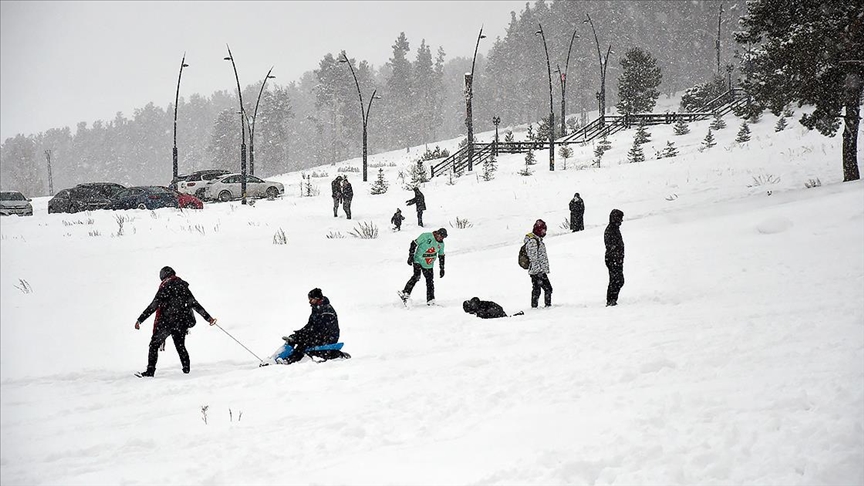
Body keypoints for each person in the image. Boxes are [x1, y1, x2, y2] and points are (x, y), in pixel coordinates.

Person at [134, 266, 216, 377]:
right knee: (180, 346)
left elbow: (153, 306)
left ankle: (150, 371)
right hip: (181, 322)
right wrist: (208, 318)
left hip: (166, 322)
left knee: (154, 345)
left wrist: (140, 320)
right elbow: (194, 303)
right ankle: (186, 370)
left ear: (163, 276)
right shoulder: (182, 285)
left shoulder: (164, 287)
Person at [281, 288, 340, 364]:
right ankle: (280, 356)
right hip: (319, 335)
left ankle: (291, 359)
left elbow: (321, 329)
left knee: (304, 343)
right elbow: (310, 325)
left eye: (311, 299)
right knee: (294, 338)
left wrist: (304, 336)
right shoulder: (316, 308)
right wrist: (299, 333)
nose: (309, 301)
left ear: (317, 299)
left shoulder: (326, 311)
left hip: (328, 337)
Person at [398, 228, 447, 305]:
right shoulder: (426, 236)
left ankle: (431, 300)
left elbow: (441, 256)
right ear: (437, 233)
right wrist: (411, 256)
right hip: (418, 260)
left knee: (430, 281)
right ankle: (405, 293)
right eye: (441, 236)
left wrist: (442, 268)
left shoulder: (441, 244)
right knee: (416, 276)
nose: (441, 238)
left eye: (443, 237)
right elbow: (413, 244)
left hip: (428, 264)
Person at [524, 219, 552, 308]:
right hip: (537, 271)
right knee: (546, 289)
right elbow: (533, 258)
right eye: (543, 230)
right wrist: (538, 271)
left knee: (538, 289)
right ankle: (542, 307)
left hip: (538, 270)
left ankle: (536, 307)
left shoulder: (538, 240)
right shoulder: (533, 241)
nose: (545, 232)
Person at [604, 209, 625, 306]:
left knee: (618, 280)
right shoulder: (610, 230)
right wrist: (616, 256)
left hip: (617, 259)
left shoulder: (614, 229)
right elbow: (611, 246)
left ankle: (612, 299)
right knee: (616, 280)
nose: (621, 221)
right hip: (613, 259)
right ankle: (611, 300)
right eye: (620, 219)